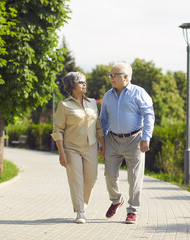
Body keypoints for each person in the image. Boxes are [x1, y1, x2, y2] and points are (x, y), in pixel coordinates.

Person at [99, 62, 155, 224]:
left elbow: (149, 115)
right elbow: (103, 120)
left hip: (135, 140)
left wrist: (146, 137)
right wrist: (102, 144)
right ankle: (116, 199)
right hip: (112, 139)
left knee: (134, 177)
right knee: (109, 174)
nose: (111, 78)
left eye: (113, 75)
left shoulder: (139, 93)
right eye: (110, 75)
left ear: (126, 77)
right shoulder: (108, 95)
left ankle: (132, 211)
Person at [51, 72, 105, 224]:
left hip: (91, 146)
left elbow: (98, 126)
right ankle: (80, 211)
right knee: (76, 179)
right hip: (71, 148)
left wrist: (103, 145)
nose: (84, 84)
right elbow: (58, 130)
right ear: (72, 86)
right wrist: (61, 153)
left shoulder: (92, 103)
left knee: (92, 178)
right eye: (80, 82)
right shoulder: (64, 105)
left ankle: (82, 202)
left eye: (84, 81)